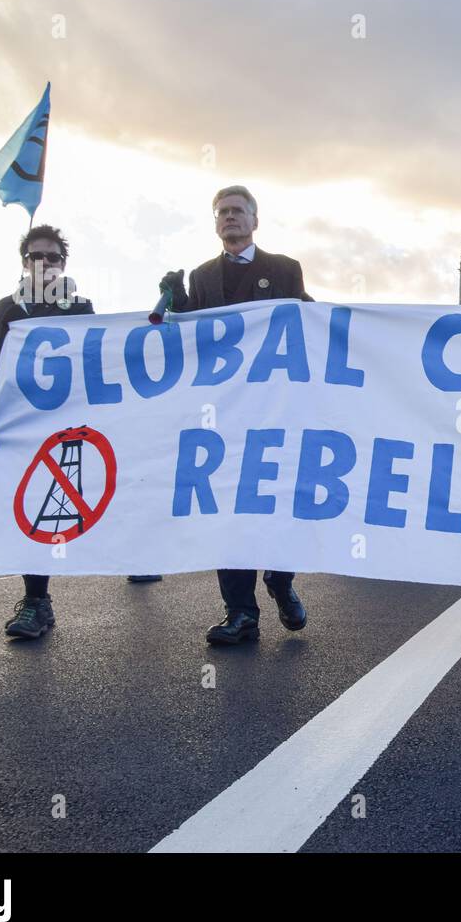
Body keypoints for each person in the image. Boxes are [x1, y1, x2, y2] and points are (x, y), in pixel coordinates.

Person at [161, 185, 313, 645]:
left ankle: (281, 579)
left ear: (254, 220)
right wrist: (176, 305)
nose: (229, 218)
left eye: (237, 211)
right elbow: (194, 340)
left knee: (279, 503)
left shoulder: (285, 269)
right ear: (215, 223)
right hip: (224, 415)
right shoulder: (204, 276)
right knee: (229, 510)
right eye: (221, 212)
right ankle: (241, 613)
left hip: (275, 410)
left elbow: (306, 322)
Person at [0, 225, 94, 640]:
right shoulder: (4, 310)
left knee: (50, 512)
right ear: (24, 263)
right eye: (35, 256)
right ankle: (36, 597)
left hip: (59, 431)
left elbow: (101, 360)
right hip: (12, 432)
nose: (43, 263)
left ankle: (37, 601)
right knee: (24, 514)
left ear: (63, 264)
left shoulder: (80, 309)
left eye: (51, 257)